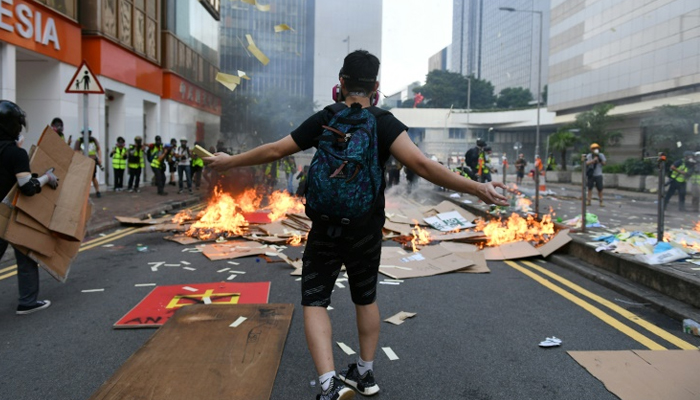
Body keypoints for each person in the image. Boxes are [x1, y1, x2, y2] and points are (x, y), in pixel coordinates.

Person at [204, 50, 508, 400]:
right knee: (365, 298)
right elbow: (423, 166)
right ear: (376, 87)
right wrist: (478, 187)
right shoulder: (384, 122)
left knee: (315, 301)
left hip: (325, 228)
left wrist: (228, 163)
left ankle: (329, 384)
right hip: (365, 229)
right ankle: (364, 374)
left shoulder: (325, 118)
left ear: (341, 82)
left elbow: (275, 150)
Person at [0, 101, 58, 315]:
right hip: (9, 214)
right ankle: (28, 301)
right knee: (24, 256)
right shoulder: (16, 155)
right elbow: (27, 188)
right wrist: (46, 178)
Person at [74, 128, 103, 198]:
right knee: (84, 178)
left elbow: (98, 149)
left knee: (93, 177)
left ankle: (97, 191)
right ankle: (84, 193)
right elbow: (76, 151)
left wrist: (100, 158)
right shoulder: (79, 141)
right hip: (83, 161)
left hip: (93, 161)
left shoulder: (93, 140)